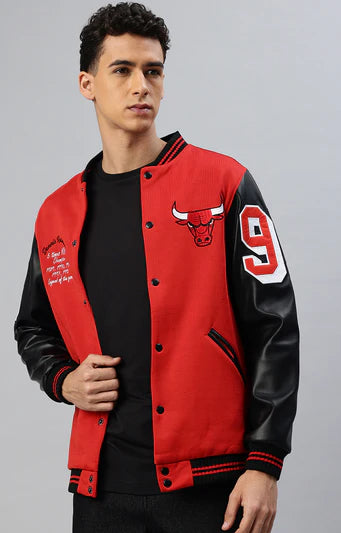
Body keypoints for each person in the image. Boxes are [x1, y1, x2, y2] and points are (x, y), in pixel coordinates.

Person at [14, 3, 300, 532]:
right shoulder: (57, 213)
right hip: (101, 487)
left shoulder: (224, 183)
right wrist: (63, 380)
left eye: (153, 71)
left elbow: (275, 325)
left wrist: (265, 462)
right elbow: (32, 326)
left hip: (209, 482)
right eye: (122, 70)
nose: (140, 86)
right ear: (87, 84)